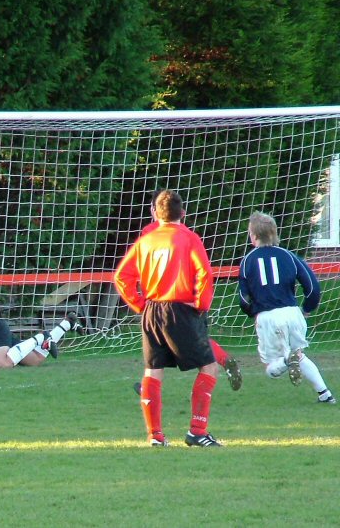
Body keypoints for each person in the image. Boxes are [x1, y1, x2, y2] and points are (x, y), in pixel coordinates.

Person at [114, 189, 222, 447]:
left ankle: (155, 436)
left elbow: (122, 277)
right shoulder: (189, 238)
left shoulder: (146, 241)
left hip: (152, 310)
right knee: (209, 366)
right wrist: (201, 305)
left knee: (153, 370)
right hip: (181, 310)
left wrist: (140, 305)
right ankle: (197, 430)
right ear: (182, 213)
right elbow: (204, 274)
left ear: (157, 214)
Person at [132, 190, 242, 393]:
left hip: (166, 300)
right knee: (195, 338)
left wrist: (140, 301)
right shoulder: (184, 232)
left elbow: (143, 266)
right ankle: (225, 359)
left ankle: (150, 393)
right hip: (191, 296)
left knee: (160, 354)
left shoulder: (150, 231)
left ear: (153, 210)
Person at [238, 211, 335, 404]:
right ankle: (325, 394)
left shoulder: (248, 260)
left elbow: (243, 298)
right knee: (299, 355)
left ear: (254, 236)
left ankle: (285, 361)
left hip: (267, 317)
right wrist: (307, 308)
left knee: (271, 369)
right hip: (292, 313)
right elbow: (313, 287)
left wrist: (253, 313)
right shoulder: (289, 256)